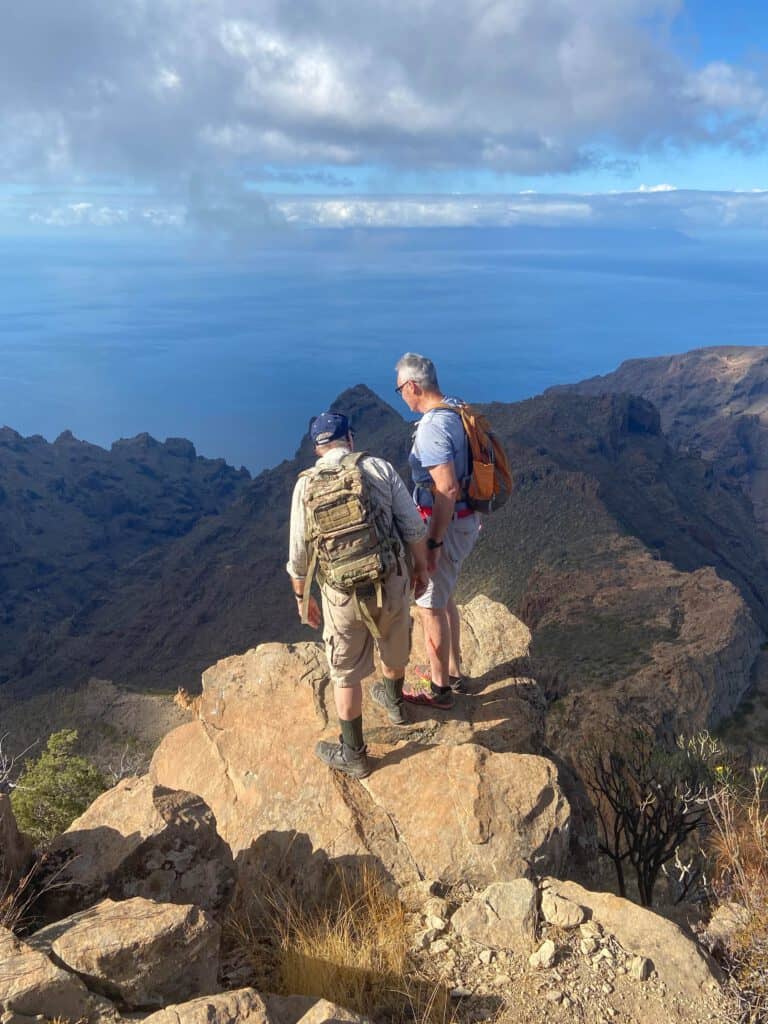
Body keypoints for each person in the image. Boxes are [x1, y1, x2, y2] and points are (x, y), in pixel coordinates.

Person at [286, 411, 429, 778]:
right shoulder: (379, 468)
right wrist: (421, 571)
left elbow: (299, 555)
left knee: (345, 673)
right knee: (394, 645)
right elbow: (412, 526)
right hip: (390, 581)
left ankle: (355, 755)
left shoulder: (305, 486)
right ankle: (395, 704)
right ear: (350, 438)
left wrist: (303, 598)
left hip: (340, 594)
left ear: (318, 447)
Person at [394, 353, 481, 709]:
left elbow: (446, 488)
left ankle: (439, 689)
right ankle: (454, 672)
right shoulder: (457, 408)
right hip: (466, 519)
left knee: (429, 605)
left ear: (413, 386)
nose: (400, 395)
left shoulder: (432, 426)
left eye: (400, 389)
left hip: (445, 522)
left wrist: (432, 540)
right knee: (444, 596)